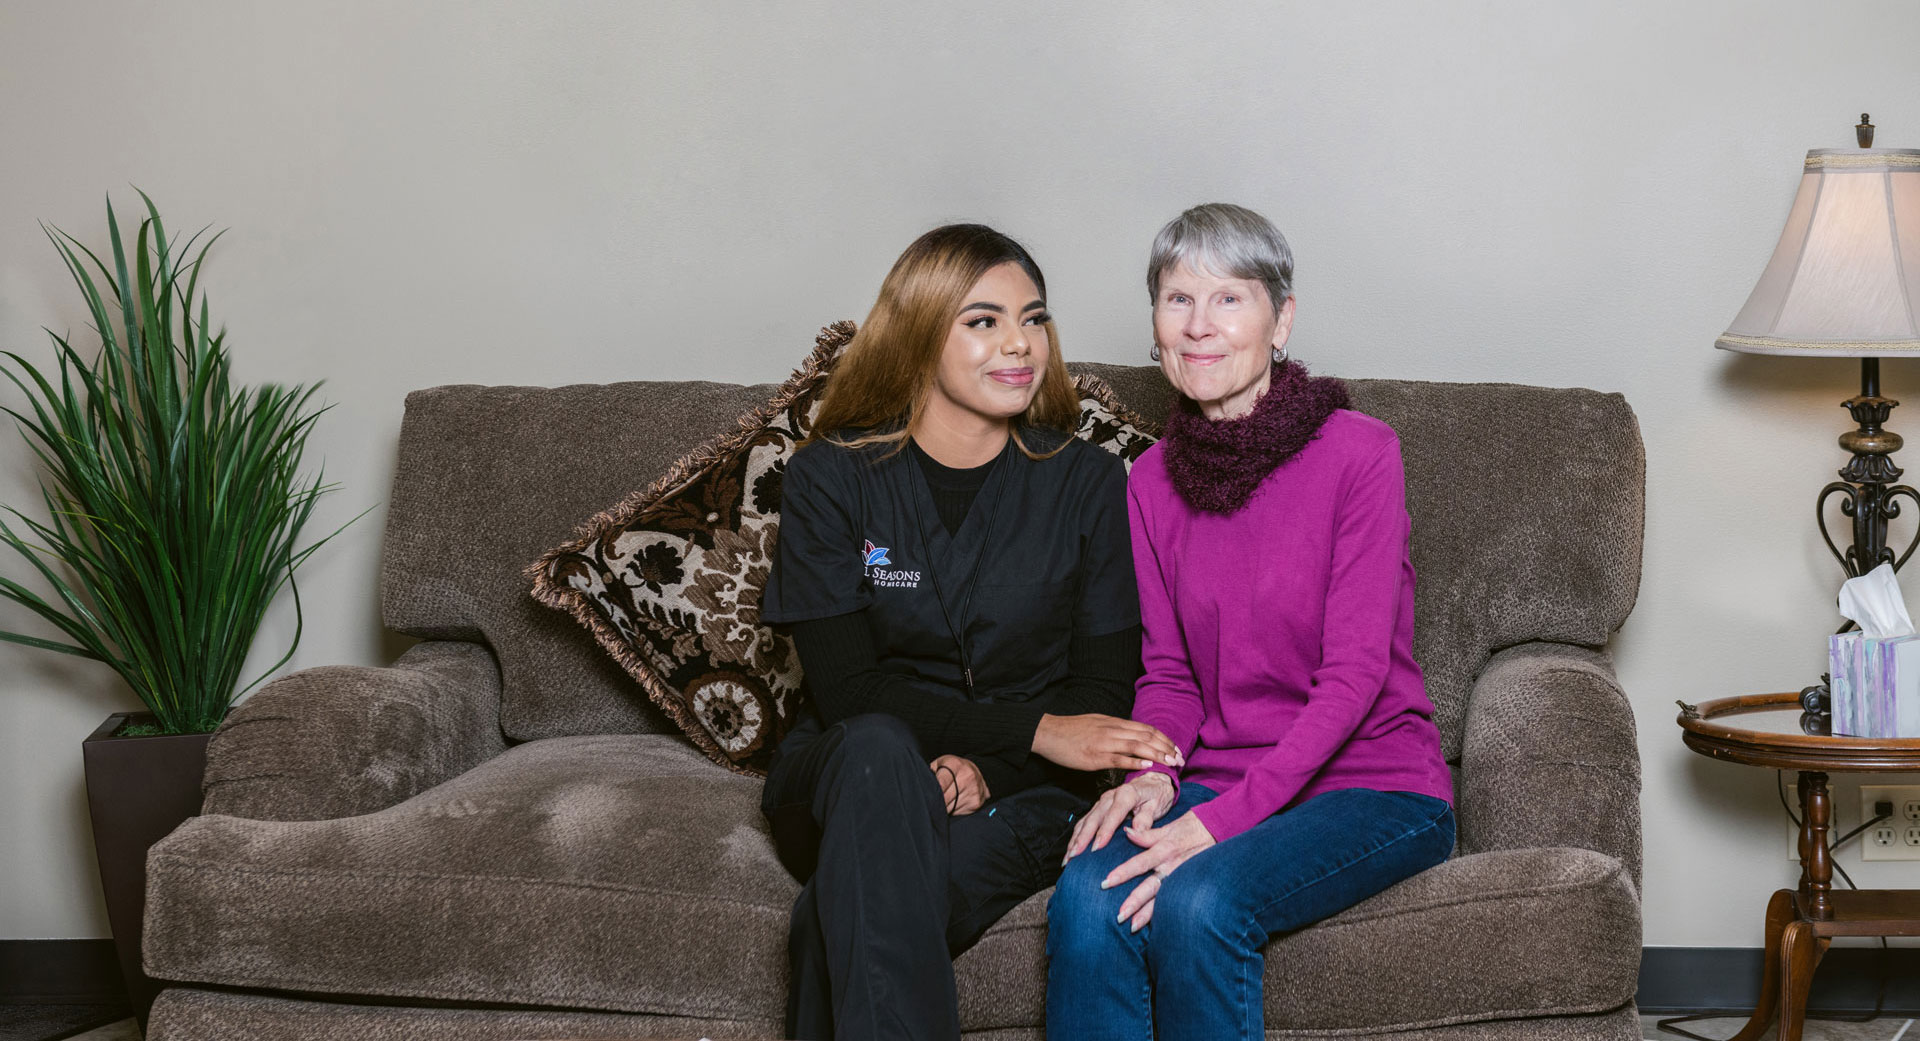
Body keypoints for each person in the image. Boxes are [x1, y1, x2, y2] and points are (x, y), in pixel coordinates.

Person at [1045, 203, 1457, 1041]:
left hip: (1372, 781)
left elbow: (1352, 678)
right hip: (1216, 771)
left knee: (1198, 901)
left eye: (1229, 299)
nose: (1200, 327)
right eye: (1176, 299)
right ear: (1155, 322)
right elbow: (1169, 676)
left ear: (1282, 319)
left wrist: (1218, 822)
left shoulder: (1361, 453)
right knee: (1089, 897)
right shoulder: (1151, 481)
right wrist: (1155, 775)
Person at [759, 223, 1181, 1041]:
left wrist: (990, 765)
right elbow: (848, 691)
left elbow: (1099, 694)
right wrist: (1032, 728)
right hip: (853, 779)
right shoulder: (828, 478)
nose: (1020, 344)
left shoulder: (1088, 481)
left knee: (838, 916)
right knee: (879, 745)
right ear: (919, 333)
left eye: (1034, 317)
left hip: (1017, 795)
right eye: (983, 320)